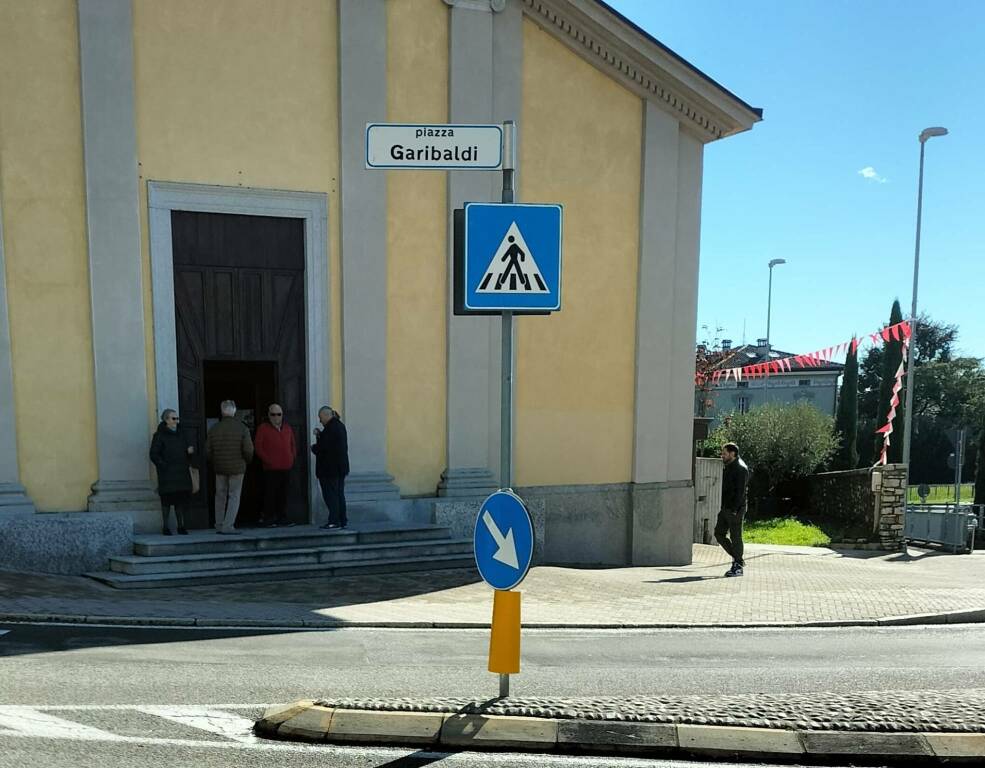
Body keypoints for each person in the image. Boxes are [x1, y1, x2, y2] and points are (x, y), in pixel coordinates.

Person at [206, 400, 254, 535]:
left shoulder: (214, 429)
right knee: (234, 495)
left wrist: (214, 461)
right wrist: (247, 461)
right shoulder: (242, 428)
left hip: (219, 467)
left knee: (220, 495)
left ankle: (219, 524)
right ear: (234, 411)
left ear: (222, 411)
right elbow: (249, 450)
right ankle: (228, 525)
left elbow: (207, 451)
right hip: (237, 468)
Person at [149, 409, 194, 536]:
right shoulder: (159, 435)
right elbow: (153, 454)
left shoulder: (181, 433)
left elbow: (188, 453)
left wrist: (189, 453)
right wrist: (164, 466)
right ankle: (165, 527)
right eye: (174, 419)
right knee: (166, 502)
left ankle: (181, 526)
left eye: (177, 418)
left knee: (180, 501)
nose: (176, 421)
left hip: (181, 472)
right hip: (167, 474)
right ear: (166, 420)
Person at [254, 403, 297, 527]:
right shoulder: (263, 428)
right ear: (269, 415)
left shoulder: (287, 428)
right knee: (270, 494)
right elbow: (258, 447)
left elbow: (293, 444)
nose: (276, 417)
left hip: (286, 467)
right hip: (270, 469)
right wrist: (268, 460)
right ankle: (269, 518)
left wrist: (291, 458)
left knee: (283, 494)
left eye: (279, 414)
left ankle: (282, 518)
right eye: (273, 414)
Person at [715, 442, 750, 577]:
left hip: (735, 508)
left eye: (724, 453)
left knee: (736, 537)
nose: (722, 456)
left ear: (732, 453)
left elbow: (740, 491)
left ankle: (737, 566)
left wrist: (735, 509)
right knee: (719, 533)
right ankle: (738, 559)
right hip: (726, 507)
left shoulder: (741, 468)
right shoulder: (729, 467)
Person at [312, 406, 349, 529]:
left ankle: (334, 521)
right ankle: (341, 519)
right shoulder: (339, 426)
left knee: (331, 495)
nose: (320, 421)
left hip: (330, 470)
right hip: (339, 468)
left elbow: (324, 448)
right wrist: (320, 435)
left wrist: (313, 447)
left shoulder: (331, 428)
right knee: (339, 494)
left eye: (320, 417)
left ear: (327, 415)